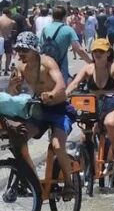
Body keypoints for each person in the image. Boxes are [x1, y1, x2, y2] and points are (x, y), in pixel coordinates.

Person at [7, 31, 76, 199]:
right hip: (39, 110)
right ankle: (30, 178)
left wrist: (51, 94)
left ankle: (69, 183)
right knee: (18, 139)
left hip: (59, 109)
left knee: (57, 146)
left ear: (35, 50)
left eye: (25, 49)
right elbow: (13, 94)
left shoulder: (47, 63)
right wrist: (12, 86)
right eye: (18, 49)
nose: (21, 53)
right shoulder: (21, 66)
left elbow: (61, 86)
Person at [66, 39, 114, 167]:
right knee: (85, 137)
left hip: (112, 105)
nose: (97, 53)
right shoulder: (88, 68)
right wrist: (66, 92)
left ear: (108, 53)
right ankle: (87, 168)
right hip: (93, 106)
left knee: (109, 124)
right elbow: (75, 83)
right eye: (95, 51)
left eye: (101, 51)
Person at [40, 5, 91, 82]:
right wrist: (91, 62)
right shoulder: (68, 30)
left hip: (46, 67)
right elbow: (79, 50)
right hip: (61, 69)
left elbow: (41, 47)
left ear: (53, 16)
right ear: (65, 16)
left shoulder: (45, 29)